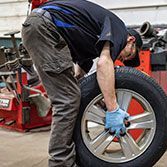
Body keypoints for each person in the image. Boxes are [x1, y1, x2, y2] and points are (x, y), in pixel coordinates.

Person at [21, 0, 143, 166]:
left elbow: (79, 79)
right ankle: (60, 163)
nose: (123, 59)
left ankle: (68, 156)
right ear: (130, 41)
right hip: (45, 27)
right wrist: (113, 109)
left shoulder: (90, 43)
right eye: (129, 55)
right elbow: (103, 63)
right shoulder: (119, 28)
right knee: (67, 100)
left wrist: (98, 102)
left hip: (41, 27)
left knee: (71, 94)